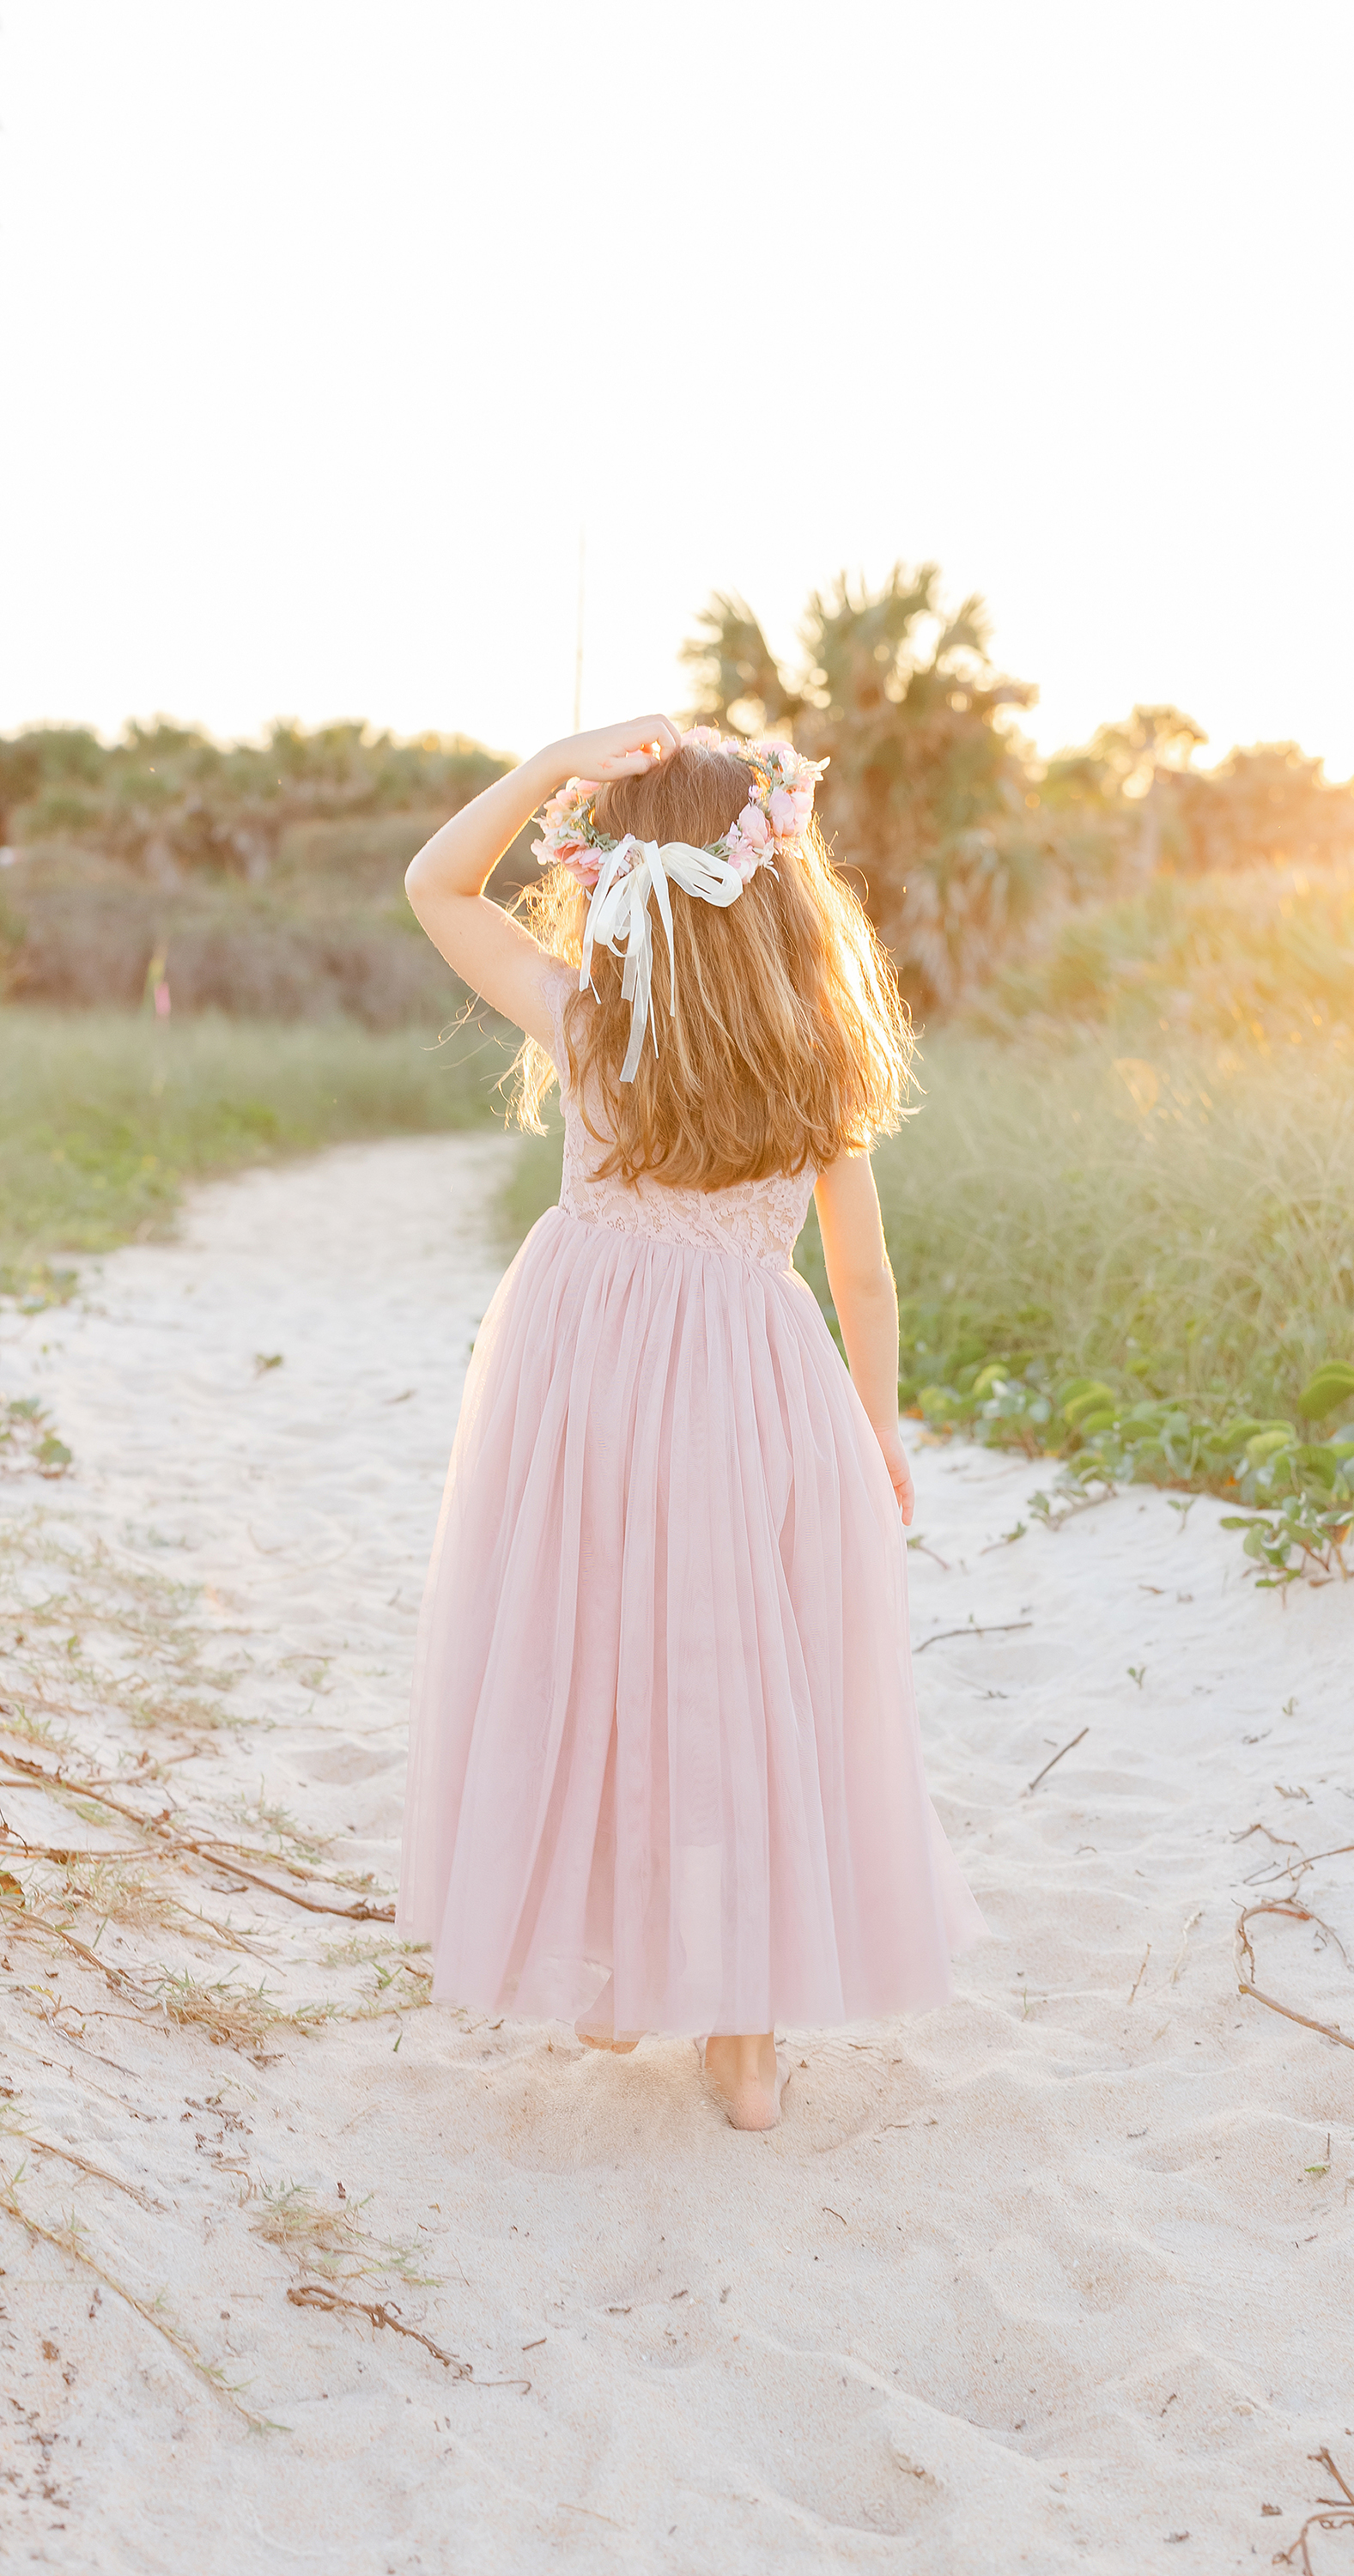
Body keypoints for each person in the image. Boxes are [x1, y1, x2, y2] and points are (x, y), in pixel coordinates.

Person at [397, 714, 984, 2130]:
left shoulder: (594, 1022)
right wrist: (880, 1426)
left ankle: (607, 1977)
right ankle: (745, 2037)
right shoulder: (818, 1057)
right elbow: (861, 1275)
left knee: (598, 1654)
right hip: (752, 1386)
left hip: (589, 1382)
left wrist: (548, 768)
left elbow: (435, 886)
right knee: (744, 1687)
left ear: (611, 874)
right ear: (781, 884)